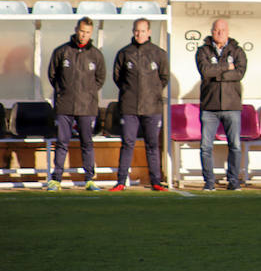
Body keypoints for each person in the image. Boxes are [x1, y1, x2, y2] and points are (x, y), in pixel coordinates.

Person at [46, 17, 106, 192]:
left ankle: (89, 179)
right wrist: (63, 91)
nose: (83, 35)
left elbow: (100, 78)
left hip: (87, 107)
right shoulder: (62, 52)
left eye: (87, 32)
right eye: (81, 31)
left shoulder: (96, 55)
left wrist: (88, 94)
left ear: (91, 33)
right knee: (62, 142)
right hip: (65, 106)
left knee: (87, 142)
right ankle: (56, 179)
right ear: (76, 30)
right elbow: (53, 75)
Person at [110, 18, 170, 192]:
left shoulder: (159, 53)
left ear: (149, 32)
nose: (139, 34)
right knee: (127, 143)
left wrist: (153, 93)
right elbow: (118, 78)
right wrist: (130, 93)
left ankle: (156, 182)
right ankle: (121, 181)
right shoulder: (124, 53)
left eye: (143, 31)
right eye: (137, 30)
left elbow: (163, 78)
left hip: (152, 107)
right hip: (129, 107)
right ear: (133, 31)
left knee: (152, 145)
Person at [195, 18, 247, 191]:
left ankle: (233, 181)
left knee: (235, 146)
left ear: (228, 31)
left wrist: (216, 73)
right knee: (205, 147)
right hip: (209, 107)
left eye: (223, 30)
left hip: (232, 106)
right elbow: (205, 71)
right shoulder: (203, 51)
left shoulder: (238, 51)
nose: (219, 33)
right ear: (211, 31)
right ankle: (209, 183)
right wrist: (227, 67)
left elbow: (239, 74)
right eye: (216, 30)